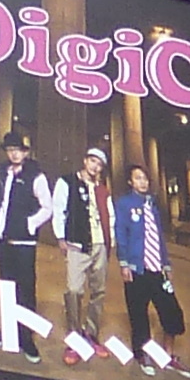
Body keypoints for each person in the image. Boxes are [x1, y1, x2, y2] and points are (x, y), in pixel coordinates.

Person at [112, 165, 190, 378]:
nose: (143, 182)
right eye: (138, 178)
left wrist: (166, 264)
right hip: (136, 268)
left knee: (172, 312)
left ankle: (168, 356)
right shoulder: (124, 204)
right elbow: (120, 232)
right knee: (138, 314)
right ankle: (142, 354)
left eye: (145, 178)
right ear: (131, 182)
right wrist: (123, 263)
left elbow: (158, 238)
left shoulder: (153, 206)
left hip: (157, 269)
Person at [0, 128, 59, 357]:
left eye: (18, 150)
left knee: (25, 289)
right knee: (7, 287)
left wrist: (29, 224)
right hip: (4, 239)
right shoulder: (3, 173)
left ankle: (26, 337)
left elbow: (48, 208)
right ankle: (8, 330)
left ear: (25, 152)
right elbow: (0, 203)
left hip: (24, 244)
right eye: (10, 150)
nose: (14, 155)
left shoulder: (36, 176)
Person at [65, 140, 118, 347]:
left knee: (99, 290)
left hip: (100, 245)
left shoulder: (103, 190)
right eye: (92, 161)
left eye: (99, 164)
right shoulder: (69, 181)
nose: (95, 167)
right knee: (74, 289)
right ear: (85, 161)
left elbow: (110, 217)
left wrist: (109, 242)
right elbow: (60, 210)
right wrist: (62, 238)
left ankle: (91, 332)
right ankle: (74, 333)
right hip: (78, 243)